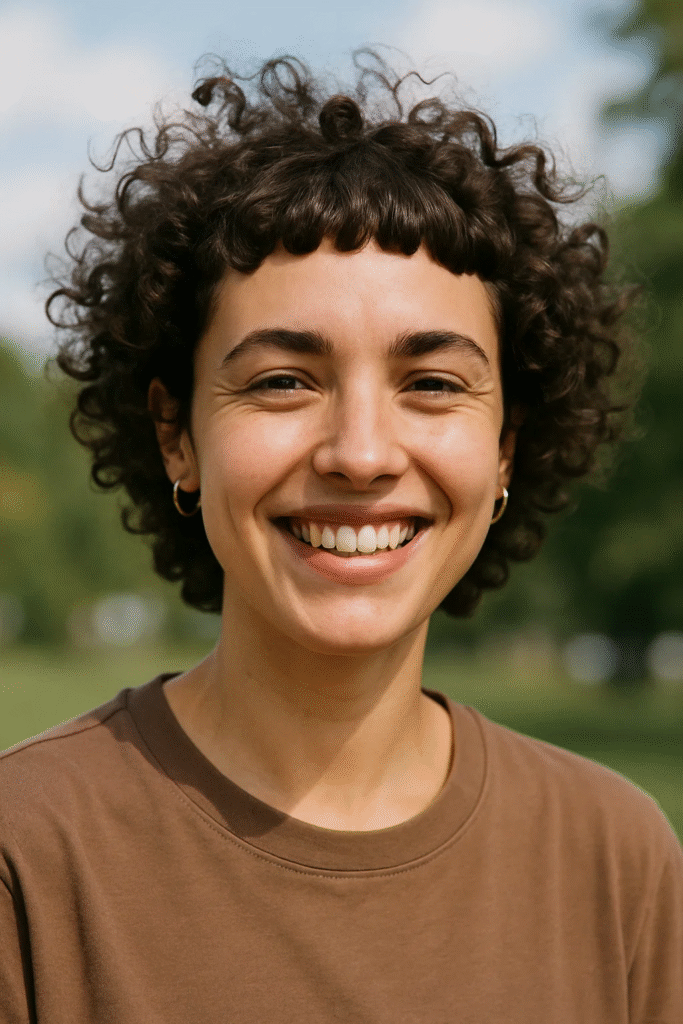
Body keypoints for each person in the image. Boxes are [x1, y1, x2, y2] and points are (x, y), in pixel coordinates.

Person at [1, 52, 681, 1022]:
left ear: (504, 449)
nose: (360, 453)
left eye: (432, 384)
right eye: (282, 379)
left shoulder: (618, 858)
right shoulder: (25, 855)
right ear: (175, 434)